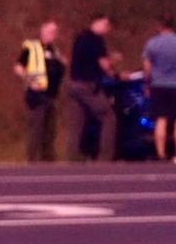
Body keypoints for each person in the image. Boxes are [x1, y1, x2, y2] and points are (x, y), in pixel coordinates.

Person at [67, 13, 123, 161]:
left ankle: (72, 157)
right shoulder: (97, 40)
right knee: (109, 117)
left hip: (74, 85)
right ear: (96, 23)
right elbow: (103, 64)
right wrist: (116, 70)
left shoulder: (79, 37)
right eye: (105, 25)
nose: (107, 28)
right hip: (88, 85)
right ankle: (105, 157)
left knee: (77, 122)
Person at [142, 14, 176, 165]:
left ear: (159, 26)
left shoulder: (152, 44)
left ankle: (161, 153)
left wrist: (147, 83)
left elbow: (147, 67)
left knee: (161, 119)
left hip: (159, 84)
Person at [14, 21, 66, 162]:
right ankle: (33, 159)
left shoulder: (55, 50)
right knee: (37, 127)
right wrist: (30, 81)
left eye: (56, 32)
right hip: (37, 94)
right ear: (43, 32)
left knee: (50, 130)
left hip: (51, 95)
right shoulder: (32, 47)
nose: (54, 35)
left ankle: (48, 159)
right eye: (51, 32)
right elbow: (18, 68)